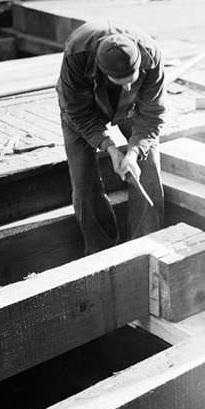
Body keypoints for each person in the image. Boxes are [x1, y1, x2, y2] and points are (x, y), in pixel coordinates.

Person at [56, 21, 165, 255]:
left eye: (132, 79)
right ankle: (100, 250)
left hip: (130, 108)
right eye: (120, 81)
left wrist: (134, 152)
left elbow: (153, 114)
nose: (127, 86)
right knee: (83, 179)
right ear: (103, 71)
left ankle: (146, 245)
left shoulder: (150, 54)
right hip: (82, 108)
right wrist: (111, 148)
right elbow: (77, 112)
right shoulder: (77, 54)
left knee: (148, 163)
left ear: (139, 62)